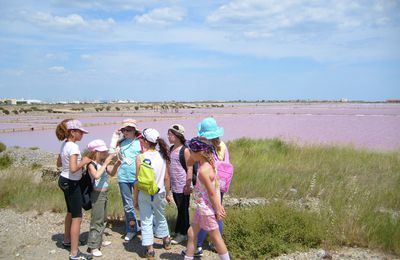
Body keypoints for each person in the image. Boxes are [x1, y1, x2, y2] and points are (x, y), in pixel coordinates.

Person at [183, 137, 230, 260]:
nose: (189, 153)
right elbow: (188, 162)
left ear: (199, 153)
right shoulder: (209, 163)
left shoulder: (203, 171)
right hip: (202, 207)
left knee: (216, 238)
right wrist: (193, 156)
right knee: (191, 233)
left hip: (206, 210)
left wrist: (218, 209)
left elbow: (212, 193)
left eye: (191, 151)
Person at [56, 119, 93, 260]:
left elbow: (59, 163)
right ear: (72, 132)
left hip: (63, 180)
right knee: (77, 217)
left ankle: (67, 240)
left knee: (70, 212)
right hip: (71, 183)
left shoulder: (64, 144)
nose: (82, 134)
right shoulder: (74, 147)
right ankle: (75, 253)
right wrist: (84, 161)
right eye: (80, 132)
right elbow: (73, 168)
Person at [133, 128, 173, 260]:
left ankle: (150, 250)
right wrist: (168, 193)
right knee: (161, 216)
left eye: (141, 138)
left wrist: (135, 199)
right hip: (160, 192)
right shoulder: (163, 156)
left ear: (145, 141)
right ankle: (166, 241)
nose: (140, 140)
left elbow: (137, 181)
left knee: (146, 220)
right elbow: (167, 178)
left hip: (144, 194)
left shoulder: (140, 157)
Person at [195, 117, 228, 255]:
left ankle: (199, 245)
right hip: (219, 184)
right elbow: (227, 166)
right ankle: (216, 243)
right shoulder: (223, 146)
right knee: (217, 213)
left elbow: (198, 164)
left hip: (205, 185)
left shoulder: (203, 147)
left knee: (204, 213)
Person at [86, 139, 120, 257]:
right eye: (103, 151)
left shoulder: (101, 163)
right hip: (97, 195)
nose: (105, 152)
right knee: (97, 221)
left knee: (103, 219)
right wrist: (106, 162)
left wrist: (116, 165)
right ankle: (93, 246)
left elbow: (112, 174)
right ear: (96, 152)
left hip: (104, 194)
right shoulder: (91, 164)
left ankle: (99, 240)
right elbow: (96, 176)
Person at [109, 119, 142, 241]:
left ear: (134, 130)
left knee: (142, 203)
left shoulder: (141, 143)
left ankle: (149, 227)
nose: (126, 132)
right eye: (124, 129)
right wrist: (115, 136)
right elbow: (111, 152)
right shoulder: (121, 142)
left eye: (129, 129)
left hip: (138, 178)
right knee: (128, 206)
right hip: (123, 177)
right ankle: (132, 229)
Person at [167, 124, 193, 244]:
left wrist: (188, 185)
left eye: (170, 134)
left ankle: (184, 233)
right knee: (180, 208)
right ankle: (179, 230)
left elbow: (190, 168)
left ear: (177, 136)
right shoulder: (171, 149)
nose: (168, 136)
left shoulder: (185, 150)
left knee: (183, 209)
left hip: (183, 185)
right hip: (175, 185)